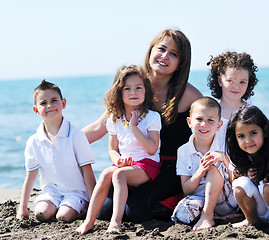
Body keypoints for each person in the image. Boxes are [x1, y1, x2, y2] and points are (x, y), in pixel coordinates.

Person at [81, 29, 203, 222]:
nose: (165, 56)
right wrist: (63, 141)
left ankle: (179, 201)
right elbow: (99, 127)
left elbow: (213, 124)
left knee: (136, 211)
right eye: (161, 49)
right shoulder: (133, 85)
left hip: (173, 168)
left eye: (174, 54)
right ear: (151, 50)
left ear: (181, 63)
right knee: (104, 213)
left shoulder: (189, 95)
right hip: (135, 164)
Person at [77, 65, 162, 234]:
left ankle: (116, 222)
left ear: (146, 90)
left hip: (147, 164)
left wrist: (134, 127)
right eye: (127, 88)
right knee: (106, 174)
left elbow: (152, 149)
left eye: (138, 87)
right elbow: (112, 149)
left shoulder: (152, 117)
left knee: (118, 174)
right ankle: (89, 221)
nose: (133, 92)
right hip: (125, 164)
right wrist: (118, 160)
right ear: (119, 92)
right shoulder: (115, 118)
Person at [16, 80, 96, 222]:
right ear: (36, 110)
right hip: (52, 192)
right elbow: (31, 175)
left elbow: (87, 171)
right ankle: (57, 206)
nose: (49, 105)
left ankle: (82, 207)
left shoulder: (76, 135)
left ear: (63, 103)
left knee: (63, 216)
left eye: (54, 100)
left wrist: (94, 205)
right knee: (41, 214)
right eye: (43, 103)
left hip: (77, 193)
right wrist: (22, 208)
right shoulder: (34, 141)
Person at [171, 97, 238, 230]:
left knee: (214, 163)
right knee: (182, 214)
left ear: (219, 125)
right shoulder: (183, 151)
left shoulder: (225, 146)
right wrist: (200, 171)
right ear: (189, 122)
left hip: (225, 199)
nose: (204, 124)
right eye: (199, 119)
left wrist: (224, 158)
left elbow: (236, 180)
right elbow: (186, 190)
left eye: (210, 120)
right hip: (200, 199)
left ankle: (208, 216)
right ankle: (215, 217)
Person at [207, 51, 258, 145]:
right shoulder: (210, 111)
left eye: (242, 82)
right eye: (230, 80)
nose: (236, 87)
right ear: (220, 81)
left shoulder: (252, 111)